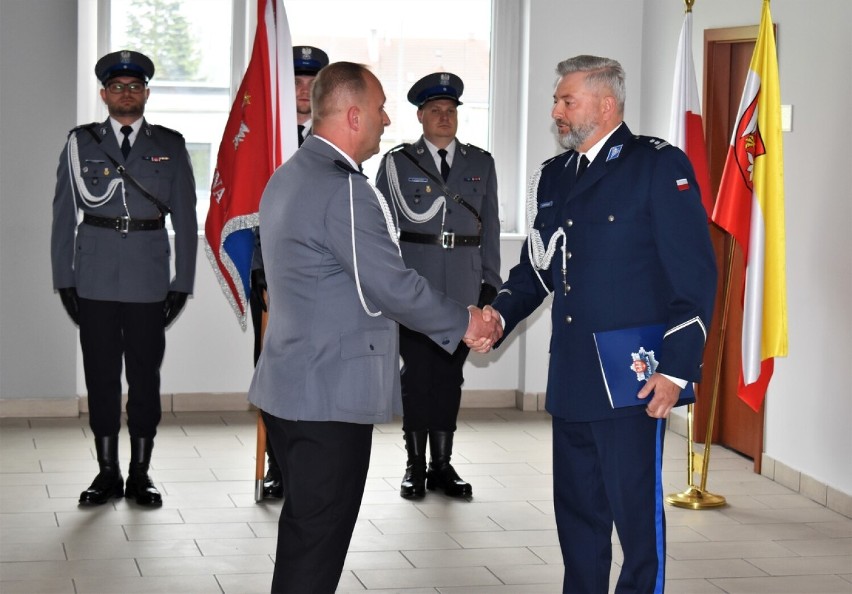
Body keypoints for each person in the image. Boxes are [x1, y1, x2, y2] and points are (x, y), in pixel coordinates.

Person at [248, 61, 500, 593]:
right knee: (317, 546)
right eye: (381, 108)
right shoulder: (344, 190)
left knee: (303, 536)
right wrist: (465, 321)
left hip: (290, 388)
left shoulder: (289, 174)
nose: (387, 120)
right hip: (328, 397)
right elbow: (391, 286)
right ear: (354, 114)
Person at [487, 55, 716, 593]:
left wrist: (678, 371)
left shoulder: (657, 166)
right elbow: (538, 270)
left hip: (633, 379)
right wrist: (498, 315)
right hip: (571, 377)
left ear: (605, 104)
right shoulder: (554, 175)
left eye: (567, 101)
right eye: (557, 100)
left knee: (637, 523)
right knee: (579, 519)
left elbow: (695, 277)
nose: (557, 111)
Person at [51, 50, 197, 508]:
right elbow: (62, 216)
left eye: (135, 87)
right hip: (93, 275)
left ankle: (140, 473)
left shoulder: (170, 145)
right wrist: (64, 279)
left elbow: (187, 220)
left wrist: (183, 281)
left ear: (146, 93)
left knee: (145, 377)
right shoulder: (81, 144)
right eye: (117, 87)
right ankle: (107, 472)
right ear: (104, 94)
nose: (126, 94)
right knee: (100, 376)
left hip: (149, 278)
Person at [375, 72, 501, 500]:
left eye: (450, 111)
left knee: (449, 378)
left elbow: (492, 227)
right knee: (416, 377)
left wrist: (491, 282)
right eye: (435, 111)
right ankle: (413, 465)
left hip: (464, 286)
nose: (444, 118)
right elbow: (382, 230)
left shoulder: (480, 162)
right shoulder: (396, 163)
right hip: (415, 287)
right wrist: (388, 285)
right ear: (420, 116)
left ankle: (442, 466)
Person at [249, 45, 330, 501]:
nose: (303, 91)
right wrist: (261, 272)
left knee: (316, 371)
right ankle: (278, 467)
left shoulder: (333, 140)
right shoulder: (266, 140)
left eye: (311, 83)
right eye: (295, 82)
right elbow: (253, 211)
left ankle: (307, 464)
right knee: (275, 374)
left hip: (323, 282)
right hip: (275, 283)